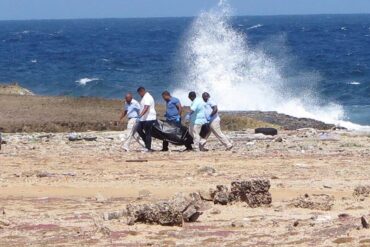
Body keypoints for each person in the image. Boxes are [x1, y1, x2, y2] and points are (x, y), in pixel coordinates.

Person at [136, 87, 157, 152]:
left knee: (148, 133)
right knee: (138, 129)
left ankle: (148, 148)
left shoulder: (147, 97)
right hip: (144, 118)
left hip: (149, 118)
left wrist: (139, 116)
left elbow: (146, 107)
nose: (140, 95)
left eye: (139, 93)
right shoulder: (144, 97)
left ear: (141, 92)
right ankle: (147, 145)